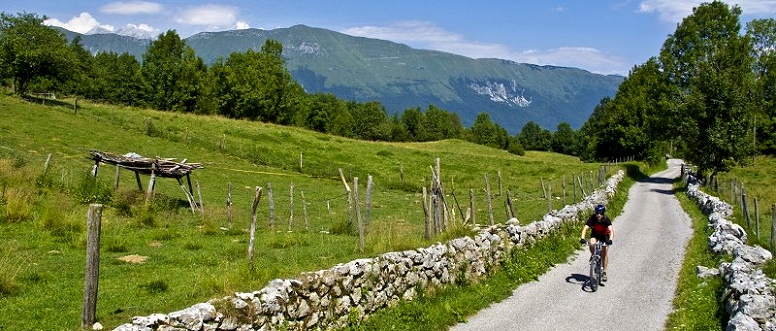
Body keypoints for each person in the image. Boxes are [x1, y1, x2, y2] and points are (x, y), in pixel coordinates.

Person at [579, 204, 614, 281]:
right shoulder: (592, 218)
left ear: (603, 213)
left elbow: (611, 231)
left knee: (604, 253)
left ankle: (604, 272)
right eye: (597, 213)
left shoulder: (606, 219)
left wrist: (610, 240)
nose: (599, 215)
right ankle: (593, 256)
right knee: (591, 244)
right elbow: (585, 228)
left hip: (604, 236)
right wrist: (582, 238)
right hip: (595, 234)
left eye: (601, 213)